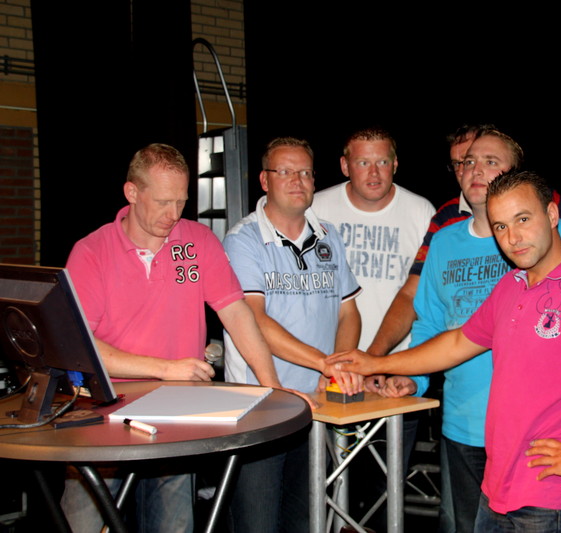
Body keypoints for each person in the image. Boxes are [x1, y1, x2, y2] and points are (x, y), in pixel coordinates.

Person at [328, 169, 561, 532]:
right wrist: (376, 362)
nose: (512, 238)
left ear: (552, 215)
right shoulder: (511, 285)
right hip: (497, 489)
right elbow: (456, 343)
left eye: (523, 219)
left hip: (552, 498)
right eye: (500, 226)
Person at [61, 143, 287, 533]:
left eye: (181, 201)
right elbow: (81, 346)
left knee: (174, 524)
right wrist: (166, 368)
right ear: (132, 192)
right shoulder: (92, 252)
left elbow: (236, 314)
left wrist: (272, 387)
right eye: (163, 202)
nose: (173, 214)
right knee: (85, 521)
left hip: (175, 413)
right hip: (103, 410)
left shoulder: (197, 241)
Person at [378, 130, 561, 532]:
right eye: (469, 161)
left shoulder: (548, 235)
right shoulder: (443, 242)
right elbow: (431, 324)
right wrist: (415, 379)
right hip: (463, 426)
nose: (476, 169)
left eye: (491, 161)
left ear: (515, 174)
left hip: (537, 435)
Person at [368, 123, 561, 357]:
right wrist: (383, 363)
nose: (471, 171)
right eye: (462, 163)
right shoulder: (445, 225)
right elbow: (426, 309)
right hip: (461, 379)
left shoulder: (544, 208)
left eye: (488, 161)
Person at [222, 136, 362, 533]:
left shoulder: (329, 235)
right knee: (258, 523)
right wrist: (323, 362)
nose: (297, 181)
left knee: (305, 521)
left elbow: (349, 312)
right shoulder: (243, 239)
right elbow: (253, 320)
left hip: (317, 408)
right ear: (264, 180)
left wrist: (336, 367)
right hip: (259, 409)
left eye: (305, 172)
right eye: (285, 171)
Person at [313, 127, 434, 355]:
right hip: (326, 356)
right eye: (363, 163)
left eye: (382, 162)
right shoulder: (316, 209)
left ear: (395, 164)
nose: (374, 173)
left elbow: (426, 295)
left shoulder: (421, 212)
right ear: (345, 166)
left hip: (397, 358)